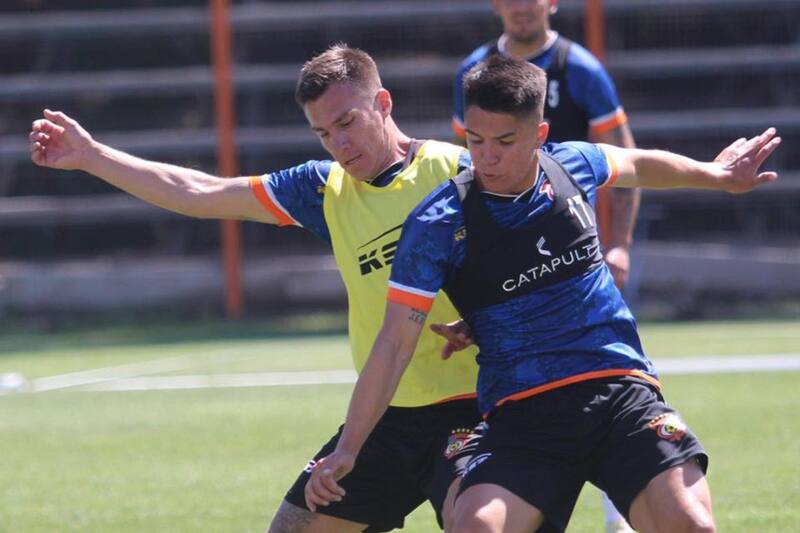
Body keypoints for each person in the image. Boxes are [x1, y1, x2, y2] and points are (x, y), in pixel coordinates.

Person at [306, 56, 781, 532]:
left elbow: (636, 163)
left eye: (504, 141)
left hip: (618, 391)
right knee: (477, 528)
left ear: (539, 133)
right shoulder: (437, 223)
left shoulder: (572, 165)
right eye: (475, 140)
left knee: (691, 526)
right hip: (523, 418)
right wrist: (348, 448)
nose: (486, 157)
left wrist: (715, 175)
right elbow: (393, 344)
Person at [29, 44, 484, 533]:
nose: (339, 144)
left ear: (383, 104)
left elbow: (531, 262)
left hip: (474, 405)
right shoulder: (322, 188)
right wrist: (92, 156)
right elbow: (200, 193)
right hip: (384, 416)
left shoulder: (455, 172)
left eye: (347, 123)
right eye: (323, 133)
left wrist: (481, 321)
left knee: (477, 524)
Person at [454, 0, 640, 295]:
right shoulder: (474, 72)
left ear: (552, 3)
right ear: (496, 4)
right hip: (499, 239)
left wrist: (620, 245)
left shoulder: (580, 69)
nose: (521, 8)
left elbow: (625, 159)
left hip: (568, 236)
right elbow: (461, 163)